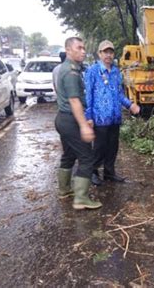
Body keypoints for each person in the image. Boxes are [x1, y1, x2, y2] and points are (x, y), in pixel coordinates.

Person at [54, 37, 102, 210]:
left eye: (84, 48)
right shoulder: (71, 72)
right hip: (70, 120)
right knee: (87, 158)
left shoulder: (66, 68)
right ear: (68, 50)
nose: (83, 51)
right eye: (79, 48)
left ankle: (64, 190)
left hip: (63, 119)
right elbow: (74, 101)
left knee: (69, 154)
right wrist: (83, 125)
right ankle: (81, 198)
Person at [84, 40, 140, 186]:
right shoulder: (92, 71)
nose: (108, 55)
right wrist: (88, 117)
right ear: (99, 54)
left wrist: (130, 105)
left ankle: (109, 172)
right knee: (99, 147)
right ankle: (93, 172)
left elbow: (120, 94)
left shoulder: (116, 72)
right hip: (100, 117)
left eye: (110, 52)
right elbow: (87, 96)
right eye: (105, 52)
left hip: (115, 117)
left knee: (113, 147)